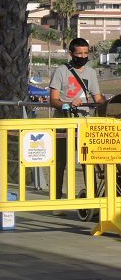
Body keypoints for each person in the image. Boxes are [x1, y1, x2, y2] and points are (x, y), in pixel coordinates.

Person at [49, 37, 105, 205]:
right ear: (71, 54)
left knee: (88, 163)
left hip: (85, 126)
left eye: (86, 53)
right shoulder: (61, 71)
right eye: (79, 53)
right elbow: (53, 100)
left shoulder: (91, 73)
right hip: (63, 124)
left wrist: (109, 105)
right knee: (60, 163)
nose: (83, 56)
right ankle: (57, 201)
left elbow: (98, 97)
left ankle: (91, 201)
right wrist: (67, 104)